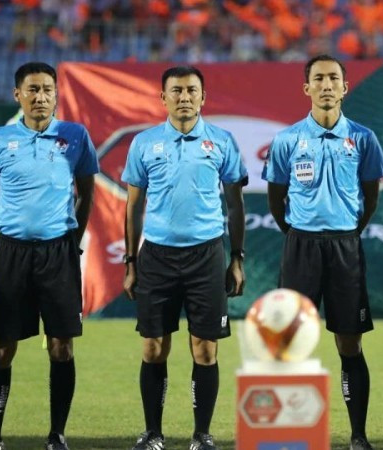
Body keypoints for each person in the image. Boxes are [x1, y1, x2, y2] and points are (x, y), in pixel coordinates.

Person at [262, 54, 383, 450]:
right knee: (290, 343)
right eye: (318, 78)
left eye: (334, 78)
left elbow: (371, 196)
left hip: (345, 248)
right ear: (307, 88)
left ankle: (357, 435)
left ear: (345, 87)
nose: (327, 84)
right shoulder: (286, 140)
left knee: (349, 342)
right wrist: (298, 231)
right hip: (300, 245)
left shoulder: (364, 139)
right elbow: (275, 197)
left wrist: (348, 229)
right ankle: (290, 433)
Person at [0, 62, 100, 450]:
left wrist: (71, 234)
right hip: (11, 254)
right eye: (33, 90)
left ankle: (57, 435)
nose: (40, 97)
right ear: (18, 95)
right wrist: (14, 224)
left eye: (47, 89)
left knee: (61, 346)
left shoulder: (75, 136)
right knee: (1, 345)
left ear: (57, 95)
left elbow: (87, 191)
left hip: (59, 252)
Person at [121, 65, 247, 450]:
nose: (184, 97)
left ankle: (201, 435)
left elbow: (236, 206)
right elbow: (132, 208)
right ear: (163, 98)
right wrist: (130, 261)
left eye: (192, 90)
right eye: (176, 91)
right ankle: (153, 433)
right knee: (153, 347)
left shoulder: (223, 141)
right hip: (156, 256)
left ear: (203, 97)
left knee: (205, 349)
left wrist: (237, 258)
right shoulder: (144, 143)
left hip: (206, 255)